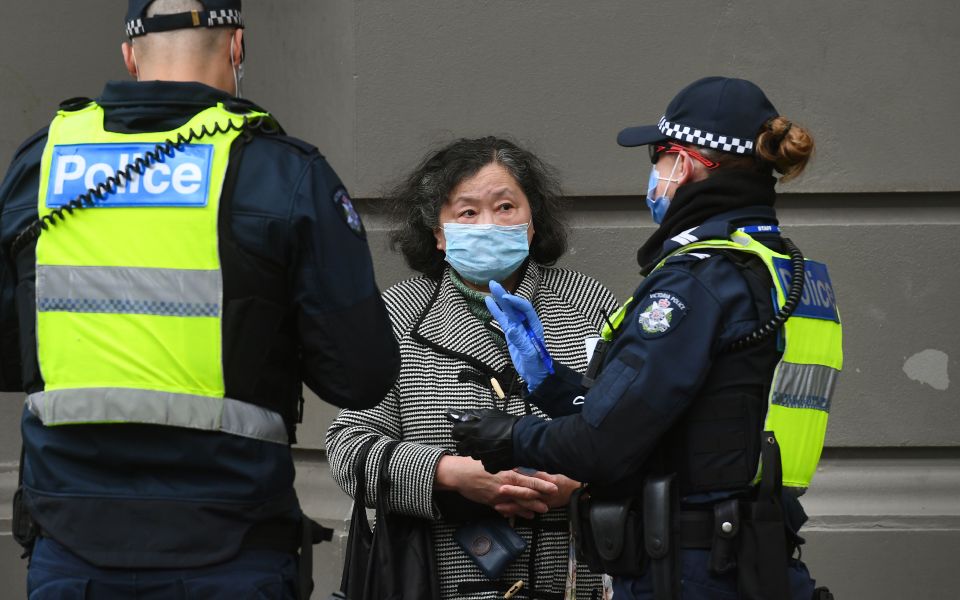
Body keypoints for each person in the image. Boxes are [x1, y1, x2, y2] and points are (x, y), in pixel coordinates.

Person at [0, 0, 399, 598]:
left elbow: (10, 351)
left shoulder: (44, 162)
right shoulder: (280, 170)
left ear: (130, 56)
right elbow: (360, 375)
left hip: (70, 544)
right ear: (236, 48)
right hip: (231, 549)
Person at [452, 77, 843, 600]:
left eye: (657, 158)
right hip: (758, 553)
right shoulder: (788, 272)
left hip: (693, 568)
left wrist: (507, 437)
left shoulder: (697, 280)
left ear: (683, 164)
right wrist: (547, 380)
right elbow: (672, 416)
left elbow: (605, 446)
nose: (653, 175)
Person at [325, 136, 619, 599]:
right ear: (438, 233)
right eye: (467, 212)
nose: (488, 224)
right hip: (433, 580)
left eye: (505, 207)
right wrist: (449, 473)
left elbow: (639, 432)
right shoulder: (400, 314)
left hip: (573, 578)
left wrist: (576, 480)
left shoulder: (591, 305)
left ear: (532, 223)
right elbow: (348, 449)